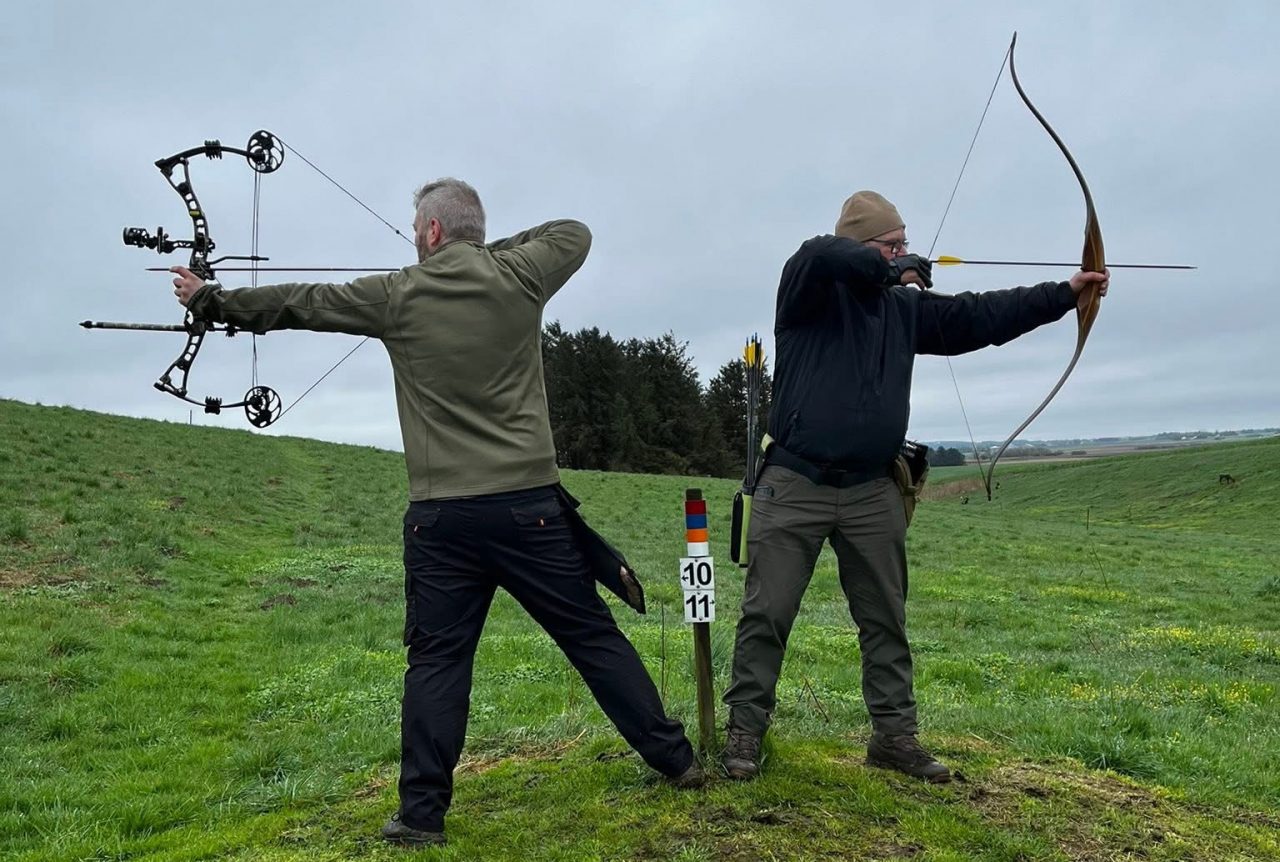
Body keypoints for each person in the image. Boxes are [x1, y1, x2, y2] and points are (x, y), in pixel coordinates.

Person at [169, 178, 702, 847]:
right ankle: (676, 761)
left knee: (439, 663)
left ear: (429, 233)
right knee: (591, 638)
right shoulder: (520, 276)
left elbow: (302, 302)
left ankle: (421, 817)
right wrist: (483, 254)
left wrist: (211, 298)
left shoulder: (397, 295)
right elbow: (573, 232)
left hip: (442, 520)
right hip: (529, 511)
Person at [720, 190, 1109, 784]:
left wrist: (1064, 295)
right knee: (766, 613)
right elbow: (818, 254)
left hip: (872, 489)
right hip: (794, 483)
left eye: (905, 241)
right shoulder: (809, 293)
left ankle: (894, 739)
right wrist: (887, 268)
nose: (905, 252)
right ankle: (745, 735)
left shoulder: (903, 310)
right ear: (861, 246)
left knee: (885, 620)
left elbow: (979, 317)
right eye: (890, 243)